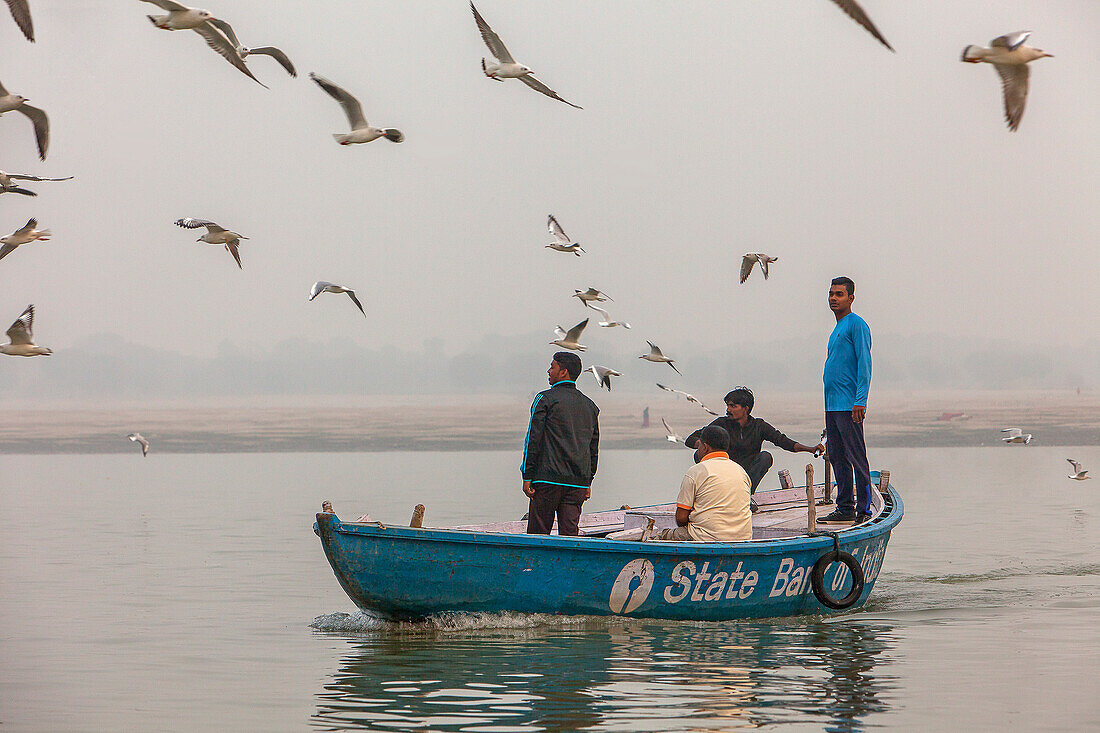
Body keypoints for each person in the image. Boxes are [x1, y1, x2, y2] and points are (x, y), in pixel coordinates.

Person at [685, 387, 822, 510]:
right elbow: (690, 439)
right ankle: (718, 494)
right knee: (699, 455)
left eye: (733, 406)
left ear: (745, 408)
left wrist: (810, 449)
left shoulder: (759, 426)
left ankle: (744, 497)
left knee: (765, 457)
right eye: (727, 406)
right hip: (725, 471)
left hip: (746, 474)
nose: (728, 410)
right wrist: (705, 445)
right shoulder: (721, 424)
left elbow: (784, 442)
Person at [520, 352, 600, 536]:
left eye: (552, 366)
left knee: (538, 535)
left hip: (547, 479)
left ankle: (535, 565)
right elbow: (593, 448)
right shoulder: (590, 406)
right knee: (570, 535)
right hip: (577, 483)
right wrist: (588, 481)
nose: (548, 371)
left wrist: (527, 475)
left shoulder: (544, 399)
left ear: (563, 372)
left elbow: (533, 440)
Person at [819, 276, 873, 524]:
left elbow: (865, 364)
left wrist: (860, 400)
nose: (833, 298)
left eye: (839, 294)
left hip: (849, 404)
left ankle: (864, 509)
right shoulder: (836, 328)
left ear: (851, 298)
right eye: (831, 293)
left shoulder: (856, 325)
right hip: (831, 405)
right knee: (837, 456)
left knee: (856, 456)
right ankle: (844, 506)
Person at [658, 425, 752, 541]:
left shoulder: (696, 471)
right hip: (743, 537)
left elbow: (681, 518)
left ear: (705, 447)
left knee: (661, 536)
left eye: (700, 445)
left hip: (705, 537)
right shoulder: (741, 471)